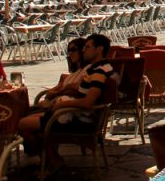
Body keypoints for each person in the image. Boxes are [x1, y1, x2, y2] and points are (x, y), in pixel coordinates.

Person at [18, 34, 114, 173]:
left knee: (22, 124)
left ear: (99, 49)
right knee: (27, 119)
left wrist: (61, 105)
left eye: (87, 47)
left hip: (79, 119)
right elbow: (80, 91)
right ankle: (49, 156)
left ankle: (51, 158)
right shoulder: (98, 69)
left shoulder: (99, 71)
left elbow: (88, 103)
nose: (83, 50)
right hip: (74, 114)